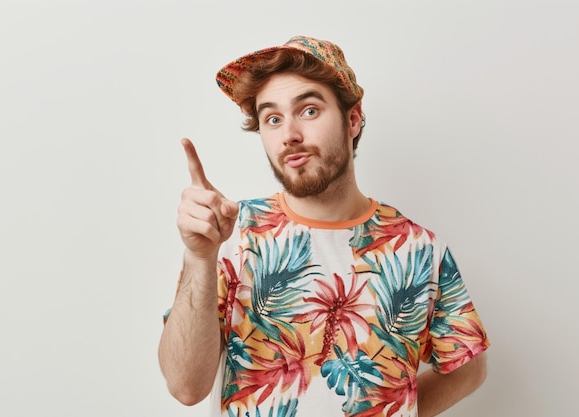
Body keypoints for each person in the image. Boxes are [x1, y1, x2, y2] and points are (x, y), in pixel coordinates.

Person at [158, 35, 490, 417]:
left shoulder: (418, 250)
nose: (289, 135)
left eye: (309, 110)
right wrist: (199, 258)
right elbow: (184, 387)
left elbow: (467, 370)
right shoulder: (231, 233)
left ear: (353, 119)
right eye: (272, 118)